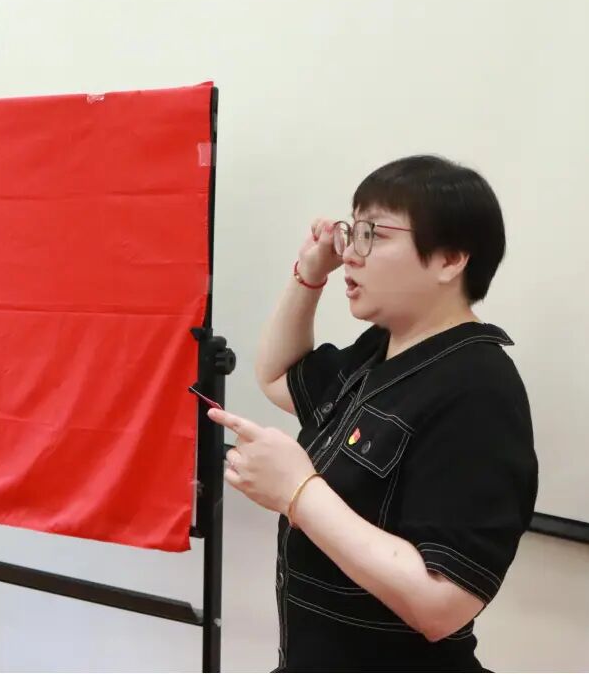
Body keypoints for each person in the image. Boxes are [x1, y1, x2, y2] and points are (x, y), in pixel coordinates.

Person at [207, 155, 538, 672]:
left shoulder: (480, 388)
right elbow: (277, 375)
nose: (350, 254)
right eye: (352, 231)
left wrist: (298, 492)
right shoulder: (379, 349)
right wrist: (308, 276)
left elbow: (443, 604)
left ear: (450, 259)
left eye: (374, 235)